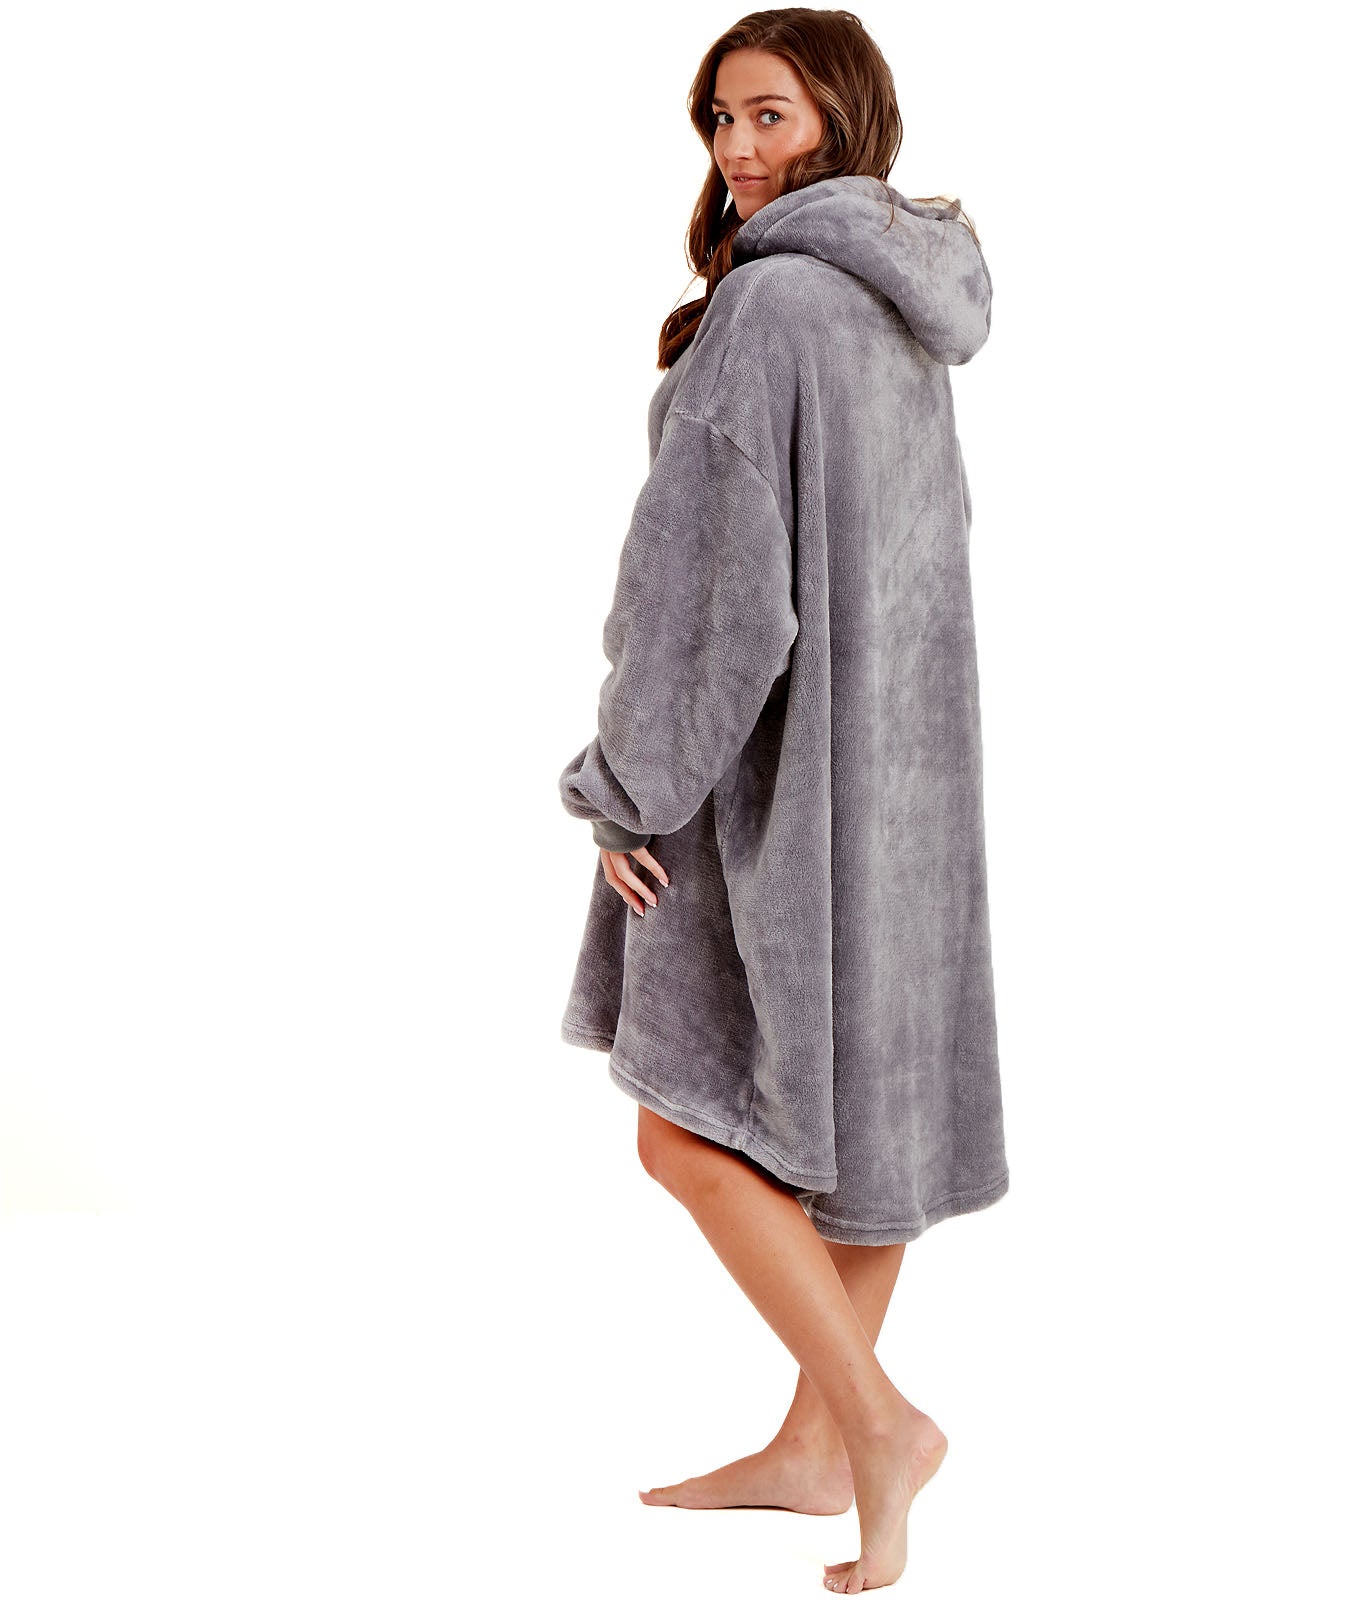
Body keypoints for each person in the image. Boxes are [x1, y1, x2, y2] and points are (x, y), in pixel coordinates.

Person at [556, 10, 1008, 1592]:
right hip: (908, 775)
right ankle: (817, 1446)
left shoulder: (768, 307)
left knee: (681, 1132)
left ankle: (876, 1425)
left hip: (779, 766)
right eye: (719, 119)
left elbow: (706, 596)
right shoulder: (901, 299)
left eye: (770, 115)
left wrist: (627, 789)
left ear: (842, 116)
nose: (738, 149)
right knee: (869, 1117)